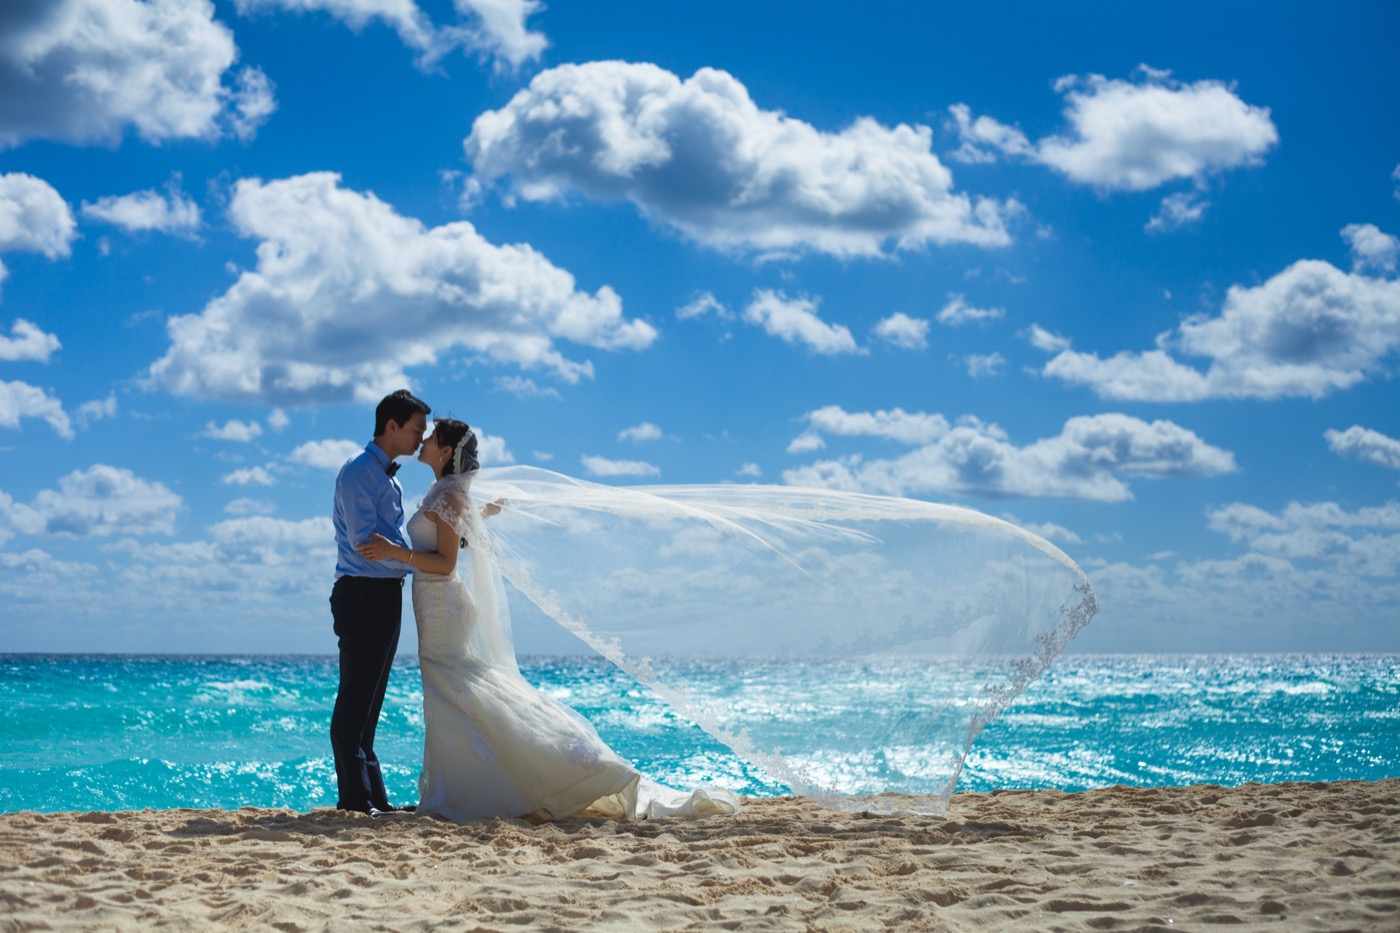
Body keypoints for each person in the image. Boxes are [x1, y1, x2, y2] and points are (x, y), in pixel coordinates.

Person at [358, 418, 740, 821]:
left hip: (442, 603)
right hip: (435, 601)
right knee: (456, 689)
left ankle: (540, 774)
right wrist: (480, 517)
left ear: (447, 451)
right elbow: (453, 540)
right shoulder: (447, 493)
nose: (425, 441)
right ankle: (466, 784)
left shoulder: (449, 496)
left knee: (457, 685)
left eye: (432, 437)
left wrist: (394, 553)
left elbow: (447, 561)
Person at [329, 389, 429, 815]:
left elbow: (390, 546)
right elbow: (366, 542)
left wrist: (401, 556)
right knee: (355, 699)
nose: (421, 439)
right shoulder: (357, 472)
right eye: (415, 430)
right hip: (362, 592)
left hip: (386, 593)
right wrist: (409, 558)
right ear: (391, 426)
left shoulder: (391, 477)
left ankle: (374, 799)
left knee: (372, 701)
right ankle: (355, 800)